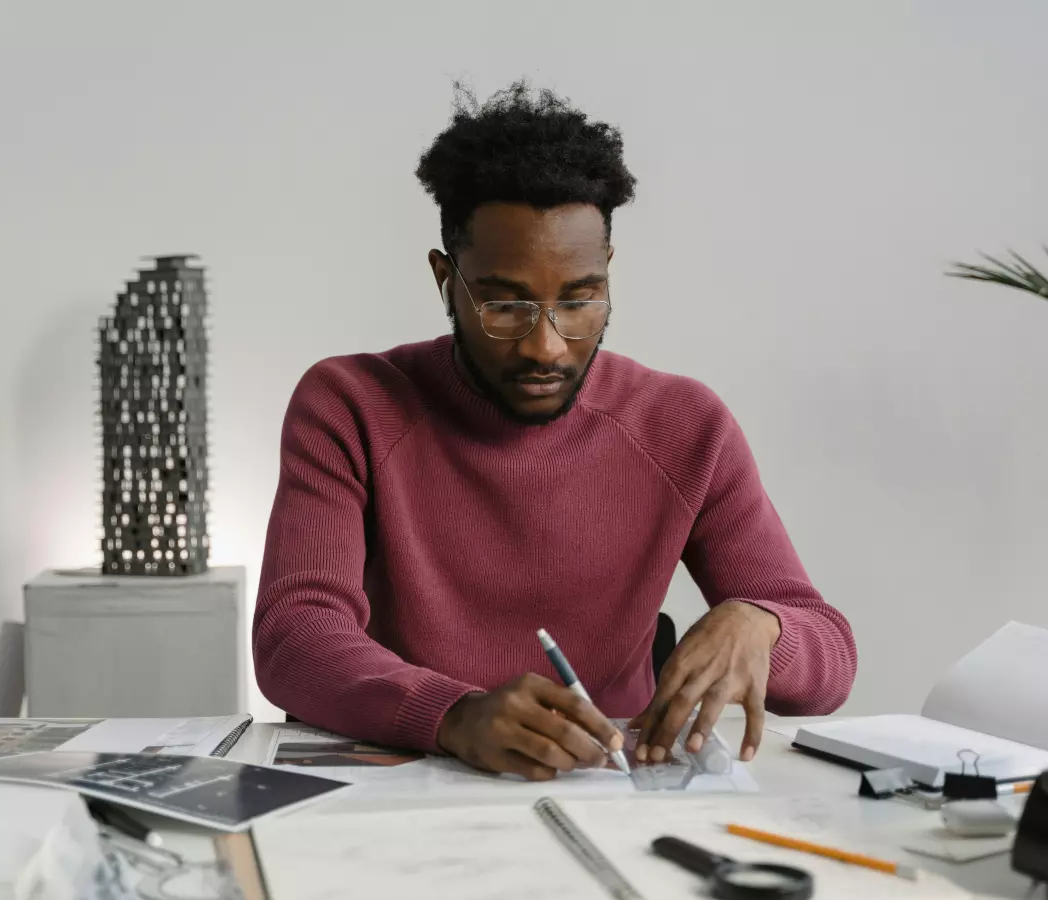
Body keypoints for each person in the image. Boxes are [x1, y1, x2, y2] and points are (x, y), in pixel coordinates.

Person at [253, 81, 856, 781]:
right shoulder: (351, 405)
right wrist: (452, 715)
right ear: (446, 281)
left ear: (606, 279)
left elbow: (832, 661)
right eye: (505, 304)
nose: (547, 347)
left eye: (579, 299)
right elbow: (294, 637)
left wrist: (763, 626)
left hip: (606, 789)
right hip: (407, 782)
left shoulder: (684, 426)